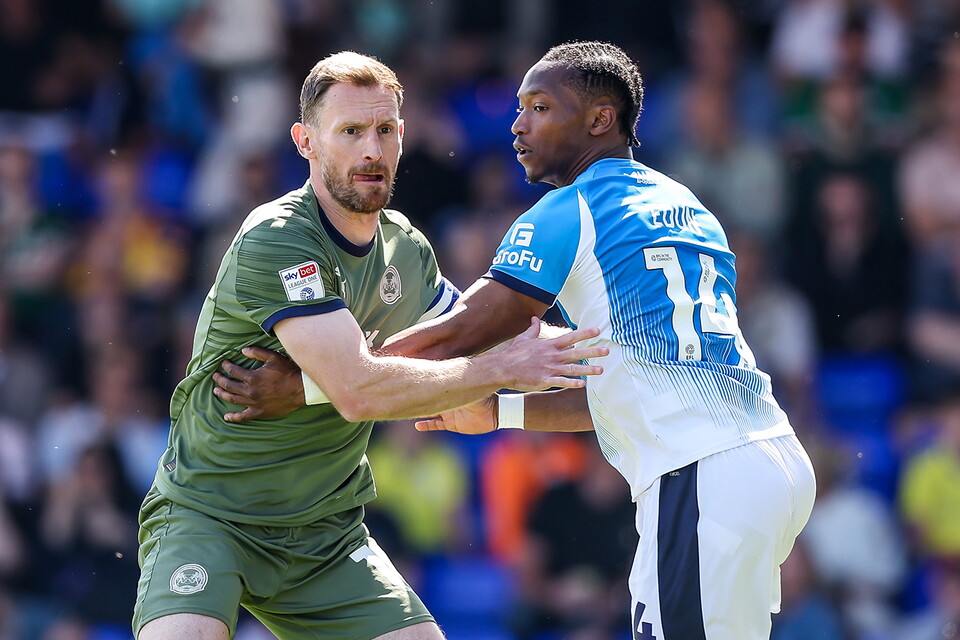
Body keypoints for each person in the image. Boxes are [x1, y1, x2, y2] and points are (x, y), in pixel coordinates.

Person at [215, 42, 817, 640]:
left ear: (599, 119)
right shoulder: (685, 206)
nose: (517, 124)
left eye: (539, 107)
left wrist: (310, 387)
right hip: (771, 461)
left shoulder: (569, 209)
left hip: (699, 475)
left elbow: (459, 336)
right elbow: (623, 387)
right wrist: (500, 407)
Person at [133, 50, 605, 640]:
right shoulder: (276, 239)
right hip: (211, 514)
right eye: (350, 132)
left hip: (325, 532)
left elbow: (472, 339)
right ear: (306, 141)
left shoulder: (406, 248)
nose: (371, 151)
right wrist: (503, 368)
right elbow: (357, 390)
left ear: (403, 136)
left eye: (384, 131)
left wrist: (617, 347)